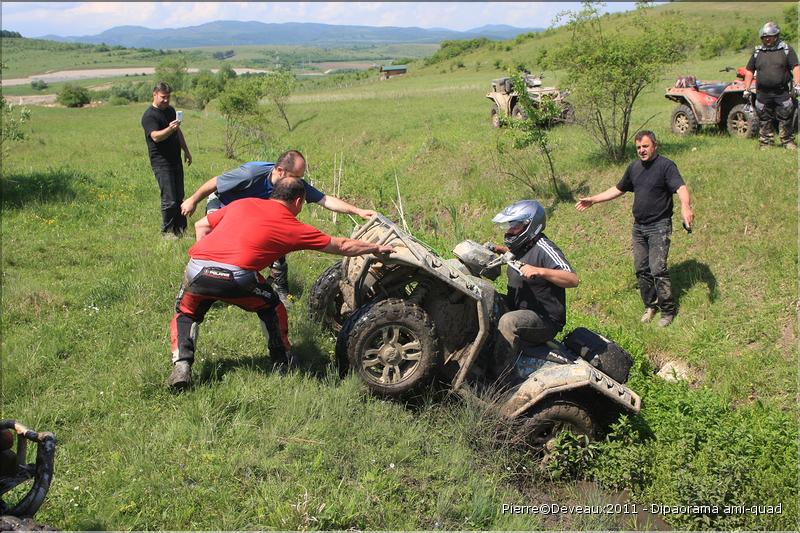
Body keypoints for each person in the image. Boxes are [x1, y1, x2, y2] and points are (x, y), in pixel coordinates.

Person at [168, 177, 394, 389]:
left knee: (186, 313)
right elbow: (342, 246)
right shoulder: (291, 226)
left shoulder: (244, 203)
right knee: (272, 307)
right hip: (237, 277)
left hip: (196, 269)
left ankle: (182, 365)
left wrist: (210, 260)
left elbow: (201, 225)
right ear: (297, 201)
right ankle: (282, 361)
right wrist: (375, 248)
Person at [180, 150, 376, 304]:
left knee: (276, 237)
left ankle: (279, 287)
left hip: (253, 214)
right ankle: (204, 280)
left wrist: (357, 211)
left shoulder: (290, 183)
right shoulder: (251, 173)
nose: (299, 181)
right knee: (217, 244)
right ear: (280, 171)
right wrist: (193, 200)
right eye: (296, 176)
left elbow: (325, 199)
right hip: (224, 206)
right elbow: (215, 183)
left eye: (301, 177)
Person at [575, 131, 693, 327]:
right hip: (639, 228)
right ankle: (651, 305)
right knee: (641, 269)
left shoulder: (666, 166)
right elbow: (618, 189)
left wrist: (685, 206)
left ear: (654, 145)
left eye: (645, 146)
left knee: (658, 269)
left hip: (659, 226)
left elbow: (680, 188)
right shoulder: (634, 168)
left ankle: (668, 311)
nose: (641, 150)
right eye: (638, 147)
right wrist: (593, 199)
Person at [485, 200, 579, 383]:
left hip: (544, 319)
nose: (509, 231)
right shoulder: (521, 245)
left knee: (508, 322)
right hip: (518, 306)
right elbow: (515, 253)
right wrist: (497, 249)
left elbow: (572, 279)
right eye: (509, 226)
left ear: (530, 226)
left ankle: (502, 379)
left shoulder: (545, 248)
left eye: (515, 226)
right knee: (486, 296)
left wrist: (540, 271)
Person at [141, 81, 193, 237]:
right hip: (161, 162)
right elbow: (156, 137)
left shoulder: (170, 110)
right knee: (169, 199)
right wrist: (170, 128)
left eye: (168, 97)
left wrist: (186, 150)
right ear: (155, 94)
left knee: (179, 197)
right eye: (163, 97)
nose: (166, 100)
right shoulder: (149, 116)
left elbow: (178, 132)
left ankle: (181, 230)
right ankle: (167, 233)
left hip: (175, 159)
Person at [743, 21, 800, 150]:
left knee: (786, 116)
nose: (767, 39)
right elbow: (749, 70)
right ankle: (766, 143)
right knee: (764, 118)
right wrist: (746, 88)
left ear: (776, 36)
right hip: (763, 93)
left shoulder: (786, 49)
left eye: (770, 36)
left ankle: (788, 141)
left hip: (782, 92)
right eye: (764, 37)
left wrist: (797, 85)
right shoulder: (758, 52)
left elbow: (796, 67)